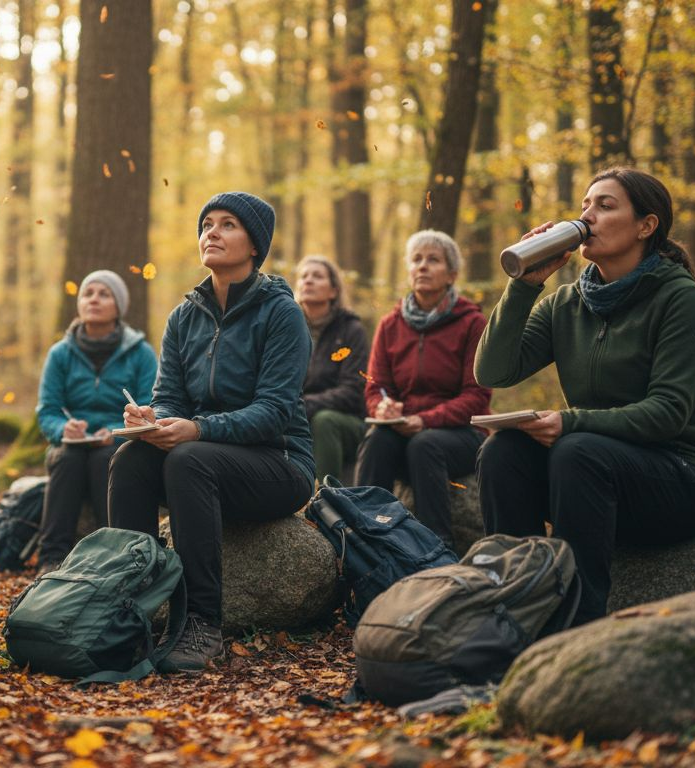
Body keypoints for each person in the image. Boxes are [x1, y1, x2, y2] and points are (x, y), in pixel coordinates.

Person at [474, 167, 695, 626]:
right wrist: (523, 285)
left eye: (606, 206)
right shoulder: (566, 303)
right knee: (502, 451)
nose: (588, 216)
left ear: (646, 226)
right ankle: (514, 611)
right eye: (586, 205)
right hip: (590, 481)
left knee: (577, 448)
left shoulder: (680, 299)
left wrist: (570, 422)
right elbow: (493, 370)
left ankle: (577, 628)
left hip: (678, 479)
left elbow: (667, 414)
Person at [109, 191, 314, 673]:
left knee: (188, 458)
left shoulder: (282, 314)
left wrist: (198, 429)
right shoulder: (184, 316)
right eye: (206, 224)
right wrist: (153, 419)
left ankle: (202, 622)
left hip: (278, 464)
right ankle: (127, 610)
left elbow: (275, 412)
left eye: (227, 225)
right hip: (203, 463)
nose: (212, 233)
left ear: (255, 245)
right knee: (131, 461)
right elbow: (171, 398)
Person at [355, 231, 491, 549]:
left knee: (424, 444)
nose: (422, 267)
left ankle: (437, 546)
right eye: (416, 260)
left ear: (452, 274)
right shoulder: (391, 324)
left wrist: (425, 420)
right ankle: (361, 536)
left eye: (433, 260)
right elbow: (376, 388)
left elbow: (477, 397)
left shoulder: (472, 323)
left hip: (460, 436)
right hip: (404, 431)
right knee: (377, 440)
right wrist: (382, 408)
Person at [34, 269, 158, 574]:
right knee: (66, 459)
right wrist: (62, 429)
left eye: (104, 294)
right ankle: (51, 558)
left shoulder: (140, 353)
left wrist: (117, 434)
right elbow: (47, 409)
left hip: (117, 441)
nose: (94, 300)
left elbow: (149, 407)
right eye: (88, 294)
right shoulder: (60, 354)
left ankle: (110, 552)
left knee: (107, 458)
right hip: (72, 444)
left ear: (119, 306)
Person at [295, 255, 369, 482]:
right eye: (304, 276)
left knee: (324, 421)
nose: (308, 281)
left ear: (333, 291)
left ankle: (327, 497)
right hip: (298, 415)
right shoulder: (288, 328)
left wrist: (305, 406)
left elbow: (353, 390)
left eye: (317, 276)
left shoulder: (351, 330)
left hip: (346, 422)